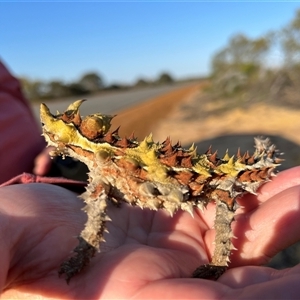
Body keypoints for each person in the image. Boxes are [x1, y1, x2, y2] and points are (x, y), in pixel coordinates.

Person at [1, 60, 300, 299]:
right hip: (50, 183)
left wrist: (83, 253)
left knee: (223, 191)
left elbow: (96, 218)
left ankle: (219, 260)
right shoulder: (101, 170)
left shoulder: (104, 170)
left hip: (199, 178)